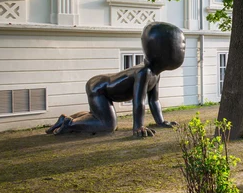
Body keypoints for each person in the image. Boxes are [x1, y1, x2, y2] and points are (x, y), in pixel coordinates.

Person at [46, 22, 186, 137]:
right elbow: (139, 102)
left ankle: (68, 119)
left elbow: (153, 100)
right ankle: (69, 124)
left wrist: (160, 121)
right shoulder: (144, 73)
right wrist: (138, 127)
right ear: (165, 50)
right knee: (108, 125)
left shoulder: (155, 74)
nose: (183, 49)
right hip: (100, 88)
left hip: (100, 83)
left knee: (98, 116)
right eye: (182, 46)